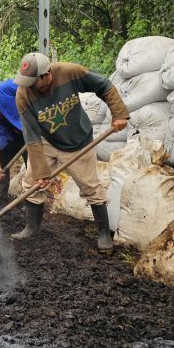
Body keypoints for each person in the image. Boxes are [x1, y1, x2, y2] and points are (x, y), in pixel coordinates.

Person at [11, 52, 129, 252]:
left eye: (33, 82)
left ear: (46, 74)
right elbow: (31, 136)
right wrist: (41, 173)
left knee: (91, 186)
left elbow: (104, 85)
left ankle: (103, 234)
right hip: (46, 142)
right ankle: (31, 228)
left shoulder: (69, 72)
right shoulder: (23, 95)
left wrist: (118, 114)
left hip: (78, 142)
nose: (28, 86)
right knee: (32, 182)